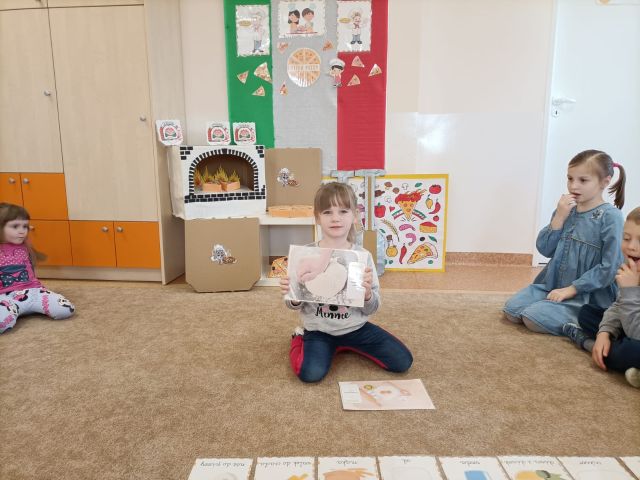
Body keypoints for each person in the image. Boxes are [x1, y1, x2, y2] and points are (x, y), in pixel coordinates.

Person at [279, 183, 413, 383]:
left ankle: (345, 344)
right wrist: (293, 295)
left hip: (356, 328)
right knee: (310, 374)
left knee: (402, 361)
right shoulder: (306, 255)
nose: (335, 218)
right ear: (317, 217)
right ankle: (298, 338)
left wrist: (367, 295)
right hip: (319, 331)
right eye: (327, 212)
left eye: (343, 211)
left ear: (355, 216)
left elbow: (372, 307)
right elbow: (293, 305)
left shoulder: (362, 256)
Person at [503, 149, 627, 335]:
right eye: (570, 178)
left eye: (583, 180)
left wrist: (573, 289)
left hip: (587, 295)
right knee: (512, 311)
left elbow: (610, 268)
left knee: (532, 318)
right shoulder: (566, 209)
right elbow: (545, 249)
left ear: (605, 181)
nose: (573, 186)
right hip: (552, 286)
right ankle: (550, 307)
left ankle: (582, 322)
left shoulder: (611, 217)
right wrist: (559, 217)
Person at [564, 207, 640, 388]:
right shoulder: (632, 268)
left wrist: (630, 291)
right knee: (587, 313)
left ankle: (587, 343)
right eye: (626, 238)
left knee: (631, 350)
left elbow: (636, 334)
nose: (631, 246)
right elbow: (619, 306)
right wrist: (604, 333)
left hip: (636, 334)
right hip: (633, 323)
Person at [0, 203, 75, 333]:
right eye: (15, 226)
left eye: (25, 226)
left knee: (66, 309)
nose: (22, 231)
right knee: (2, 324)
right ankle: (11, 309)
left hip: (33, 292)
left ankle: (30, 306)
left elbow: (31, 271)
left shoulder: (25, 246)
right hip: (5, 296)